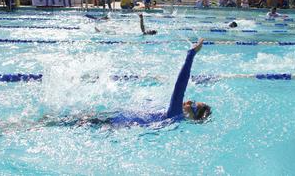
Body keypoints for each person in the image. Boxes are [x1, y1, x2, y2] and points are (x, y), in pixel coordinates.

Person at [42, 39, 210, 128]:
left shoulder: (176, 116)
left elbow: (180, 86)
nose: (189, 101)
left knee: (63, 122)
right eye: (193, 101)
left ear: (193, 118)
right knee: (69, 120)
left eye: (193, 105)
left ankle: (30, 126)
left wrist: (191, 54)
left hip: (112, 124)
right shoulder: (173, 118)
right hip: (116, 119)